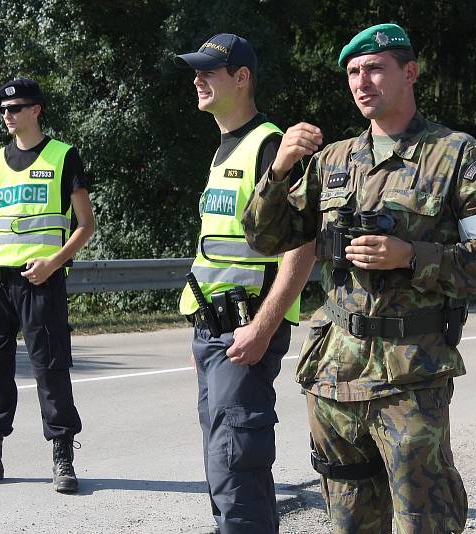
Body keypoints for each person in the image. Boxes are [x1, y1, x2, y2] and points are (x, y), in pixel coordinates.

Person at [242, 23, 476, 533]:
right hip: (334, 377)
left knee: (425, 520)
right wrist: (278, 172)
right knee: (349, 523)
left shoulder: (456, 155)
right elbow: (265, 239)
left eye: (374, 69)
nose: (361, 82)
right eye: (352, 72)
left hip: (410, 378)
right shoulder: (332, 160)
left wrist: (412, 255)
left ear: (409, 73)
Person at [174, 34, 312, 533]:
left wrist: (262, 326)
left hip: (245, 331)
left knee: (237, 463)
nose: (197, 80)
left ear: (241, 77)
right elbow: (215, 249)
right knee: (221, 463)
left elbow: (302, 246)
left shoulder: (271, 145)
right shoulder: (223, 150)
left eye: (208, 71)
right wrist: (199, 327)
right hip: (214, 332)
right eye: (196, 71)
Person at [0, 78, 94, 494]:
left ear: (36, 110)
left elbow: (86, 225)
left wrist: (54, 262)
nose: (7, 116)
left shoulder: (63, 156)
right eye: (3, 109)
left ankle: (63, 456)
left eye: (15, 108)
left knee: (50, 368)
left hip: (42, 279)